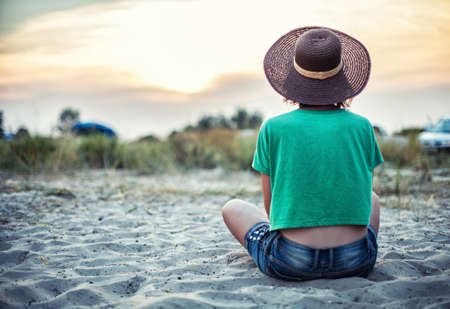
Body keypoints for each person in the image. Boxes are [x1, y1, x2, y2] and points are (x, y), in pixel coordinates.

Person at [222, 26, 384, 280]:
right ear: (342, 77)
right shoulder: (362, 126)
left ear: (292, 78)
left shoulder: (272, 128)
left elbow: (271, 209)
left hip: (291, 259)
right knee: (372, 197)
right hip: (355, 260)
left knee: (232, 208)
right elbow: (361, 198)